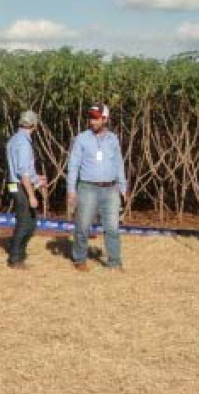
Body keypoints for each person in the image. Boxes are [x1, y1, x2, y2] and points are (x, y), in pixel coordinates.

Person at [67, 103, 128, 271]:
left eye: (96, 118)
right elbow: (73, 165)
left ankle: (115, 262)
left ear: (105, 119)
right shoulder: (81, 138)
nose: (92, 121)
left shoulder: (113, 139)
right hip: (88, 188)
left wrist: (123, 187)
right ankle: (80, 259)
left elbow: (119, 164)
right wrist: (71, 190)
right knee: (83, 226)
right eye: (91, 118)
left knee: (112, 228)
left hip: (111, 189)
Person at [4, 110, 45, 269]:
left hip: (13, 184)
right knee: (26, 222)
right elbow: (23, 172)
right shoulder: (24, 143)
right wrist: (31, 195)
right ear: (34, 125)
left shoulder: (14, 139)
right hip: (20, 186)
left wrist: (37, 179)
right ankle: (15, 258)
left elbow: (21, 169)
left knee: (28, 221)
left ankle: (18, 253)